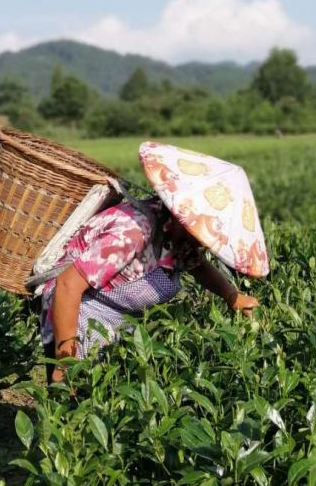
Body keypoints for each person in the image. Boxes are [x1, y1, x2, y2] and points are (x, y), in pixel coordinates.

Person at [40, 141, 270, 384]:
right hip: (75, 317)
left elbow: (199, 266)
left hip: (115, 325)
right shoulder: (133, 232)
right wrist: (65, 362)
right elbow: (67, 286)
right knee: (70, 407)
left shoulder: (179, 236)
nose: (206, 243)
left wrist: (233, 296)